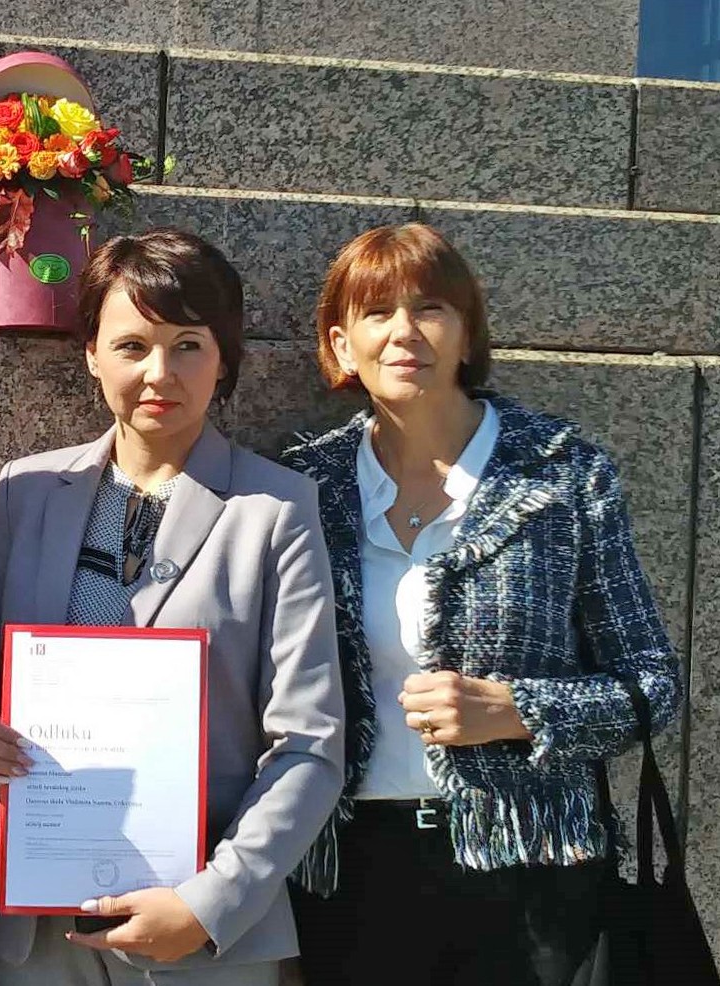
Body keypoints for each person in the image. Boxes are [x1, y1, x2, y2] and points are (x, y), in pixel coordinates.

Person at [282, 222, 683, 985]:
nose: (404, 331)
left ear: (466, 333)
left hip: (532, 874)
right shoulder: (305, 482)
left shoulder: (562, 472)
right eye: (376, 312)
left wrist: (517, 711)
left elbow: (651, 685)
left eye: (429, 308)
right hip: (351, 873)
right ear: (340, 344)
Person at [0, 229, 345, 986]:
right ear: (91, 353)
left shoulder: (276, 510)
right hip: (38, 922)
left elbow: (309, 744)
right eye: (131, 346)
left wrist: (210, 903)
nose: (159, 373)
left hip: (201, 928)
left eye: (188, 345)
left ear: (224, 358)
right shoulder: (26, 491)